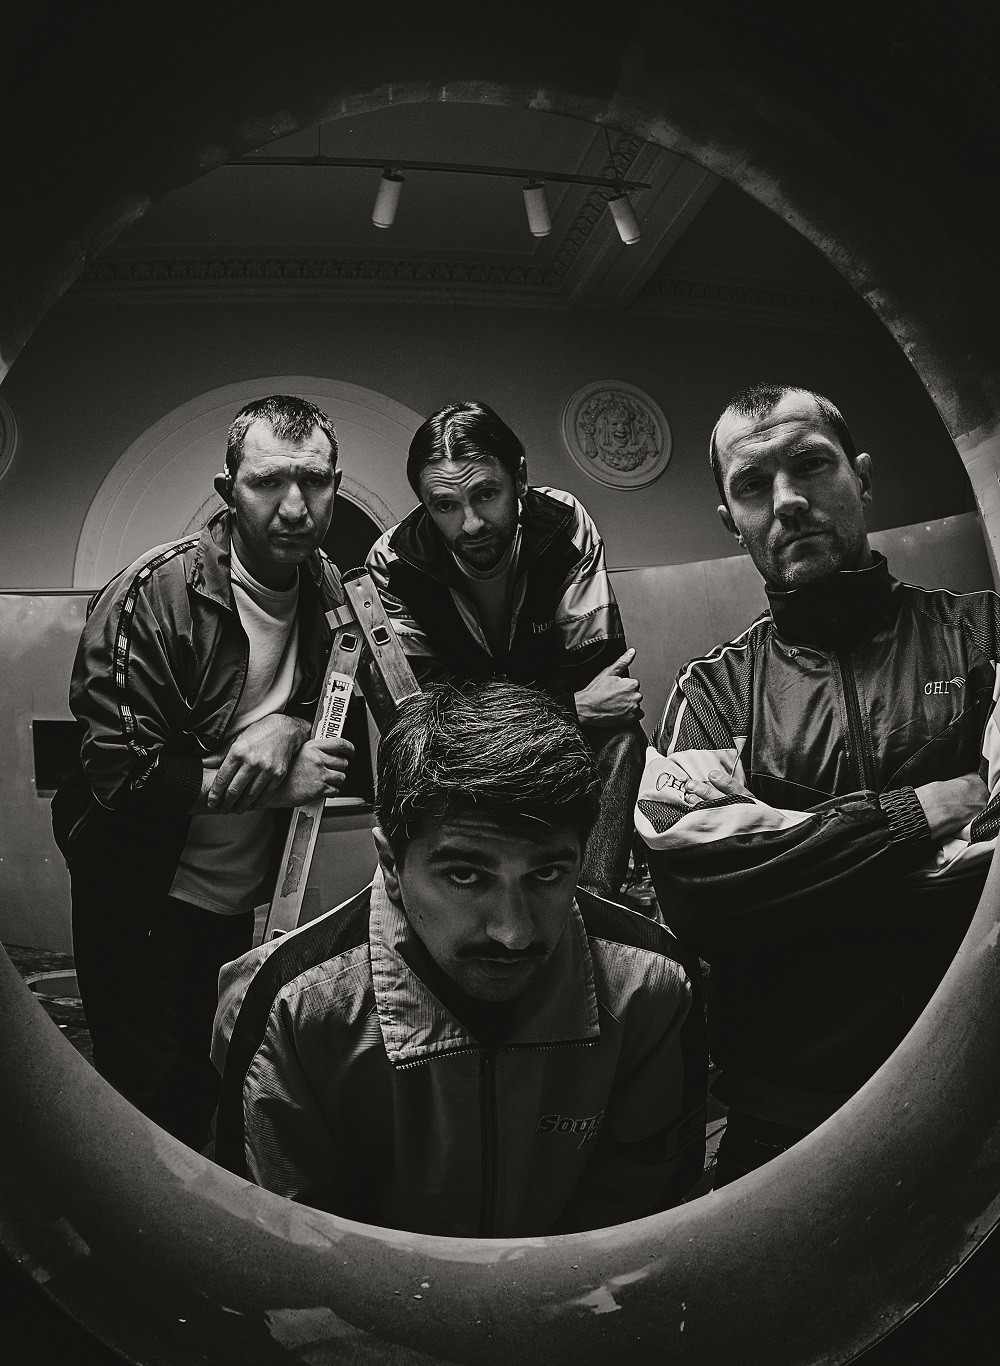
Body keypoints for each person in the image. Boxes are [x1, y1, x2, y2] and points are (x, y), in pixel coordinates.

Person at [634, 383, 1000, 1186]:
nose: (788, 500)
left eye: (810, 465)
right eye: (753, 484)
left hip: (983, 1082)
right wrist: (918, 814)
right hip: (789, 1116)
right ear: (731, 520)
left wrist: (791, 873)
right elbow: (699, 894)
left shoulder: (984, 635)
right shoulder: (713, 692)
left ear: (861, 476)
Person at [212, 681, 707, 1237]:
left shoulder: (651, 988)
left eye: (547, 873)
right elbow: (286, 1246)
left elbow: (643, 1221)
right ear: (392, 865)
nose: (513, 934)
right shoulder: (294, 1011)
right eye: (466, 875)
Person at [51, 394, 355, 1151]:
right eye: (268, 482)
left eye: (314, 482)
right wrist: (282, 781)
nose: (294, 507)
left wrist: (288, 725)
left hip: (235, 898)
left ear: (335, 486)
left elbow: (329, 701)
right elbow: (121, 775)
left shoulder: (328, 588)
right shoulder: (155, 591)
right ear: (228, 491)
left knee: (217, 1076)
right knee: (145, 1101)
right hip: (138, 898)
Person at [366, 400, 643, 897]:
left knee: (621, 738)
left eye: (486, 494)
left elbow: (599, 678)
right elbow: (427, 724)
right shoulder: (394, 563)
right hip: (459, 772)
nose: (471, 523)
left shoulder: (563, 523)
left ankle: (588, 909)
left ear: (520, 478)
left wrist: (570, 707)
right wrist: (572, 706)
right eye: (445, 506)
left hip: (558, 752)